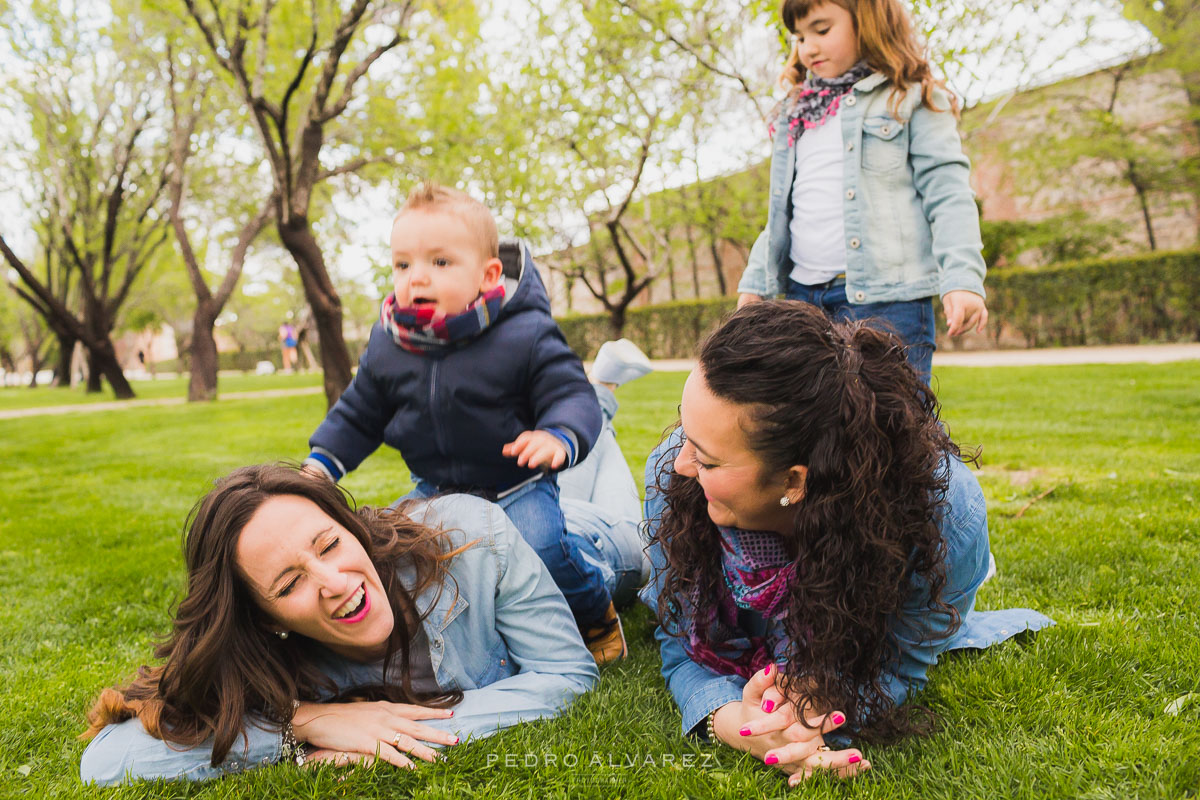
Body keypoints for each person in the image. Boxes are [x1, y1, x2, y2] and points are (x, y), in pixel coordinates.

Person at [640, 301, 1053, 785]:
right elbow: (677, 638)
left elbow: (899, 665)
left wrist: (824, 703)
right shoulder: (676, 479)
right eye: (685, 433)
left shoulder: (945, 522)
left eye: (707, 460)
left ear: (794, 482)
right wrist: (738, 723)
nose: (683, 463)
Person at [78, 463, 602, 785]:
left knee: (625, 551)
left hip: (585, 546)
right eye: (288, 585)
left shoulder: (473, 536)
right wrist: (305, 723)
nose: (334, 581)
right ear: (264, 619)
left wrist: (391, 729)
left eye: (329, 543)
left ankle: (597, 405)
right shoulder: (282, 664)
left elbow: (568, 674)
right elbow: (105, 762)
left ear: (348, 525)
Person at [302, 182, 641, 663]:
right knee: (397, 553)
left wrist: (558, 434)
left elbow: (568, 392)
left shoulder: (524, 332)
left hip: (516, 484)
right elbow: (360, 411)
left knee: (545, 549)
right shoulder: (389, 342)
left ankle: (592, 610)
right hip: (436, 488)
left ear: (488, 276)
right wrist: (322, 463)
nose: (416, 279)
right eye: (403, 264)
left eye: (440, 263)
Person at [736, 0, 989, 382]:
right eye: (800, 37)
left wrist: (962, 278)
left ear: (868, 23)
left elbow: (948, 194)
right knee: (811, 433)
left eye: (822, 30)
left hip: (888, 302)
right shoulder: (797, 114)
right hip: (803, 301)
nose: (808, 48)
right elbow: (780, 215)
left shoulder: (910, 98)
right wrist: (756, 283)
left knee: (894, 431)